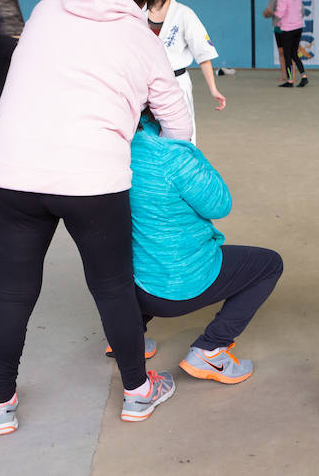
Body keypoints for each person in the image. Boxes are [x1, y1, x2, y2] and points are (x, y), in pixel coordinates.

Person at [0, 0, 193, 436]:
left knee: (10, 290)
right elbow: (178, 125)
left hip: (11, 170)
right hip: (92, 177)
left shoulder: (47, 10)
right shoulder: (141, 37)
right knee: (112, 286)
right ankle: (138, 393)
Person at [118, 111, 282, 384]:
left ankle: (124, 338)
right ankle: (211, 349)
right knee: (269, 265)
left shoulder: (112, 150)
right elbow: (220, 204)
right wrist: (190, 150)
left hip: (129, 287)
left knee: (144, 248)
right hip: (177, 287)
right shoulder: (172, 155)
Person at [147, 0, 225, 145]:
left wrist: (213, 89)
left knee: (180, 138)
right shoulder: (137, 12)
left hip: (176, 83)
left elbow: (203, 54)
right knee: (145, 138)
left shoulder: (184, 14)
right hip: (144, 86)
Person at [273, 0, 308, 87]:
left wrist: (273, 14)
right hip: (298, 27)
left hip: (288, 29)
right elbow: (300, 10)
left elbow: (280, 13)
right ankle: (304, 76)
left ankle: (290, 80)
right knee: (294, 54)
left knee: (287, 55)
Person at [262, 0, 288, 81]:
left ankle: (291, 75)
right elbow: (266, 14)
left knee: (290, 53)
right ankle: (284, 75)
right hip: (278, 28)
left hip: (289, 28)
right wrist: (268, 13)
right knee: (281, 52)